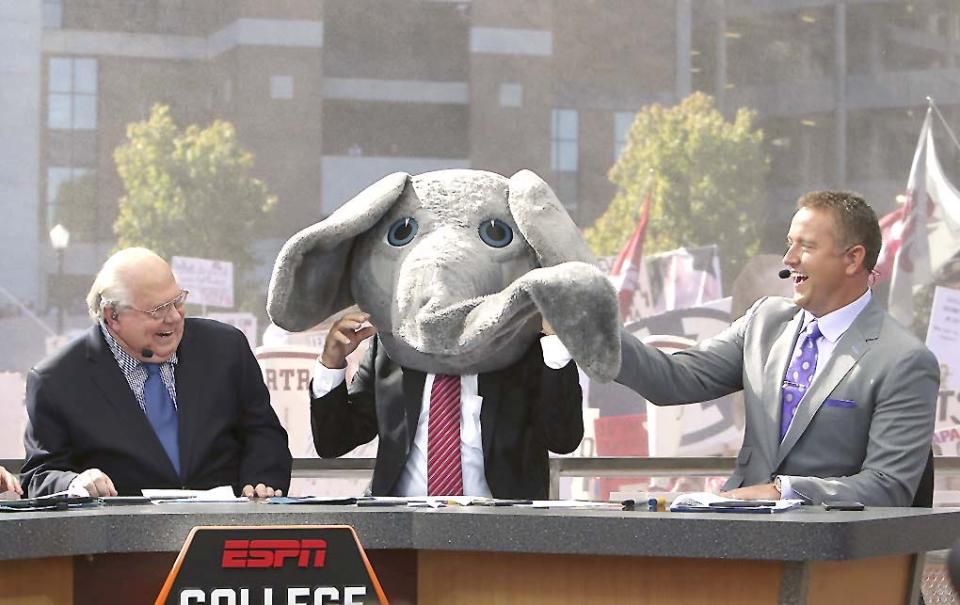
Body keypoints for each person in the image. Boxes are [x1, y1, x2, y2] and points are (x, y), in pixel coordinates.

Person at [617, 191, 938, 506]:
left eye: (807, 246)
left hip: (829, 549)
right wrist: (600, 334)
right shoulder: (764, 322)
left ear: (853, 258)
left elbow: (888, 487)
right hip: (735, 535)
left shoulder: (903, 360)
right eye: (790, 244)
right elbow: (674, 379)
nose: (789, 259)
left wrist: (783, 491)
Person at [21, 248, 292, 498]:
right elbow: (39, 476)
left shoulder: (225, 347)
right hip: (123, 541)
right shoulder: (56, 380)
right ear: (113, 316)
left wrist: (261, 480)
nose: (173, 317)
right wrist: (74, 483)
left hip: (223, 531)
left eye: (177, 302)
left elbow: (263, 432)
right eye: (158, 310)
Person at [310, 312, 583, 499]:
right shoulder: (392, 347)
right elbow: (334, 442)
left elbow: (563, 439)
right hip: (400, 525)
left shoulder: (522, 347)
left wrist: (556, 344)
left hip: (501, 527)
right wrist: (331, 363)